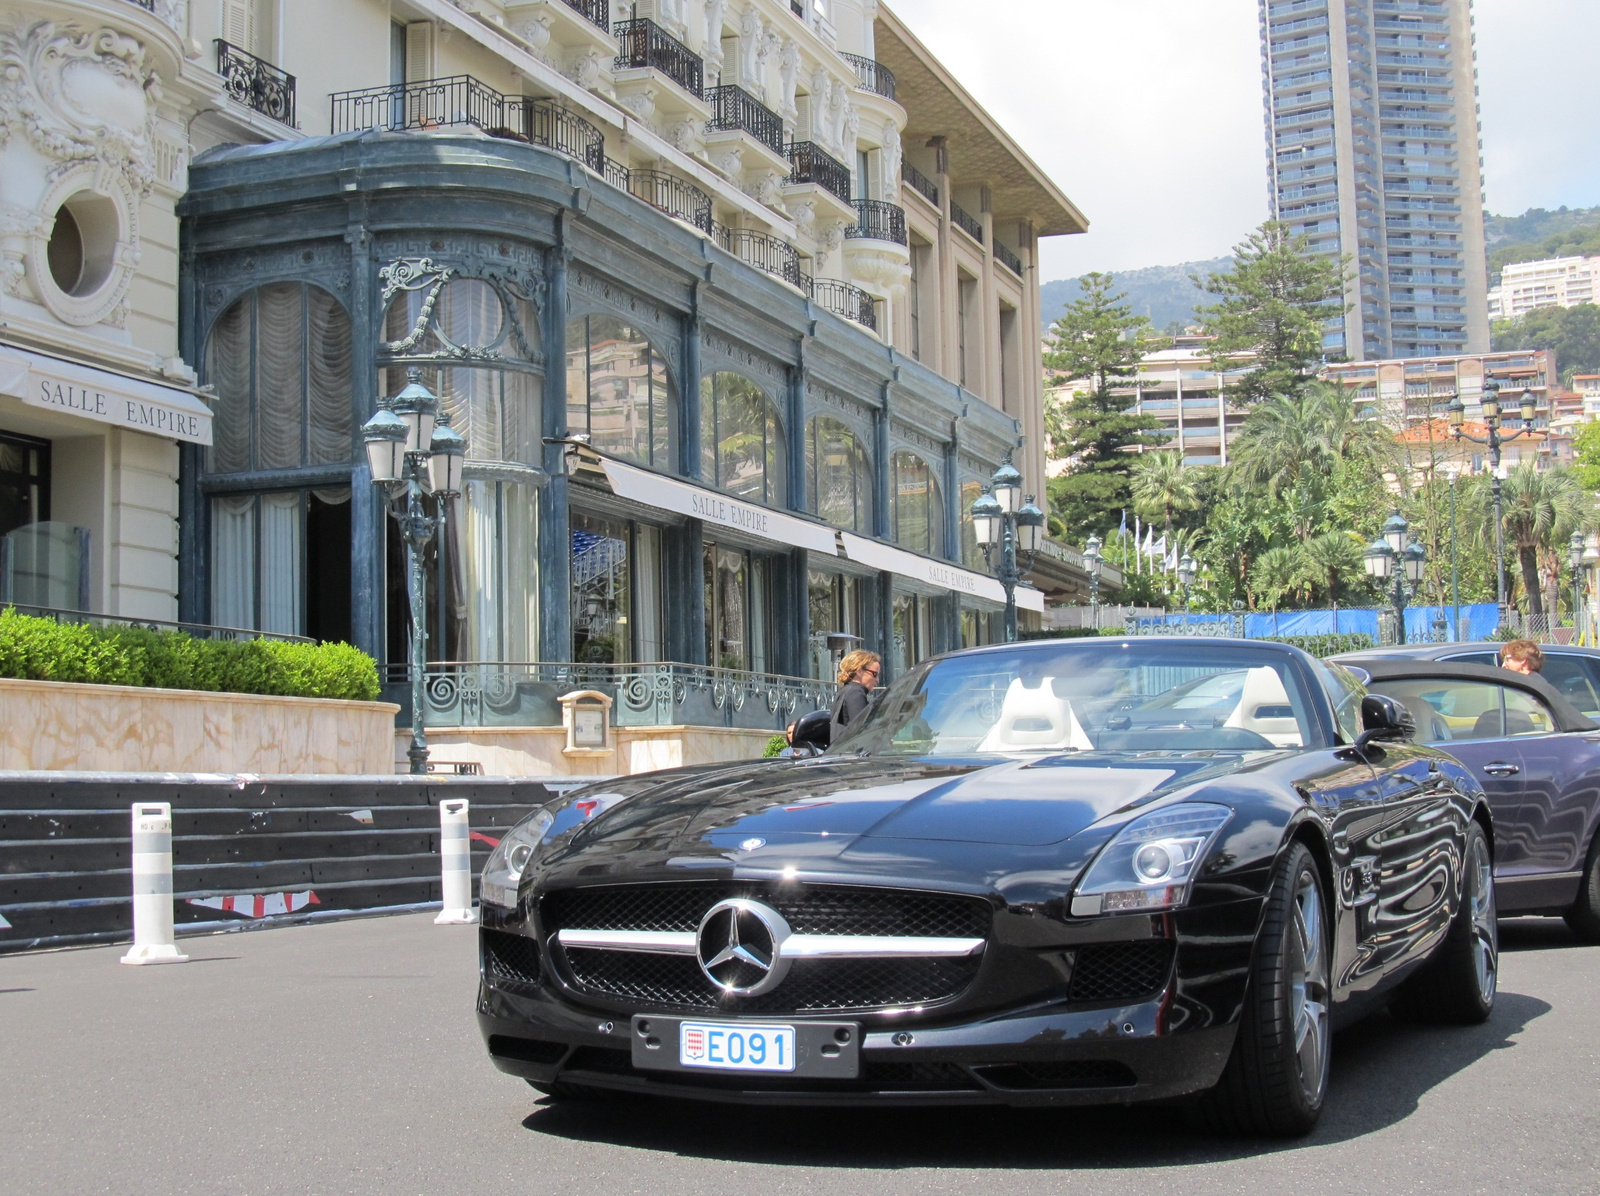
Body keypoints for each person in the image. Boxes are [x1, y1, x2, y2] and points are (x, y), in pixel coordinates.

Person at [830, 649, 882, 744]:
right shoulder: (856, 693)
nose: (877, 680)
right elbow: (860, 731)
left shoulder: (845, 692)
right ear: (859, 671)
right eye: (875, 674)